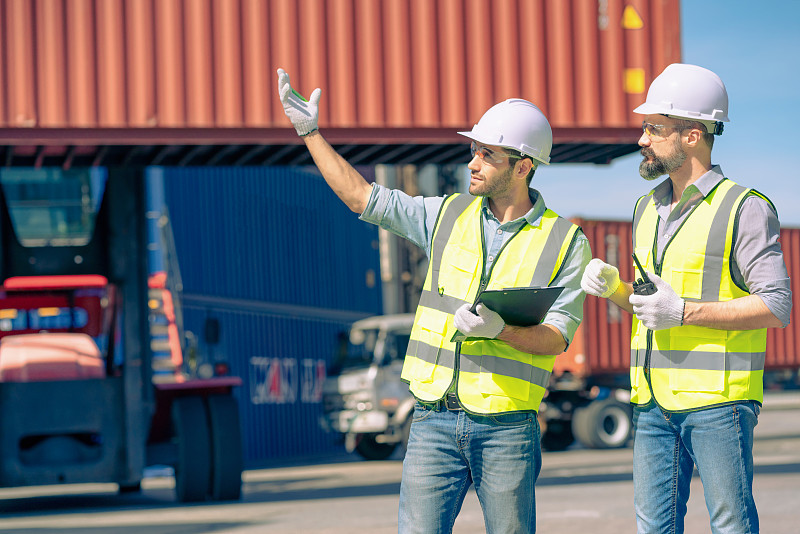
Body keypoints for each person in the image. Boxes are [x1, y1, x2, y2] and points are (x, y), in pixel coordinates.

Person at [277, 68, 590, 533]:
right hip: (431, 423)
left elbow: (556, 338)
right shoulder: (445, 214)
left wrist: (499, 331)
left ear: (522, 166)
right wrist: (310, 133)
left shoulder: (565, 242)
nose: (473, 162)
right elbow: (362, 197)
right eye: (473, 151)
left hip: (507, 428)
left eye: (488, 154)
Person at [581, 63, 792, 534]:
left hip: (719, 405)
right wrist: (613, 288)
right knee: (654, 527)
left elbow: (777, 306)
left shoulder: (745, 208)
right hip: (652, 402)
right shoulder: (646, 207)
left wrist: (683, 312)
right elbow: (650, 306)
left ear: (692, 135)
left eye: (654, 129)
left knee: (730, 525)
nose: (642, 139)